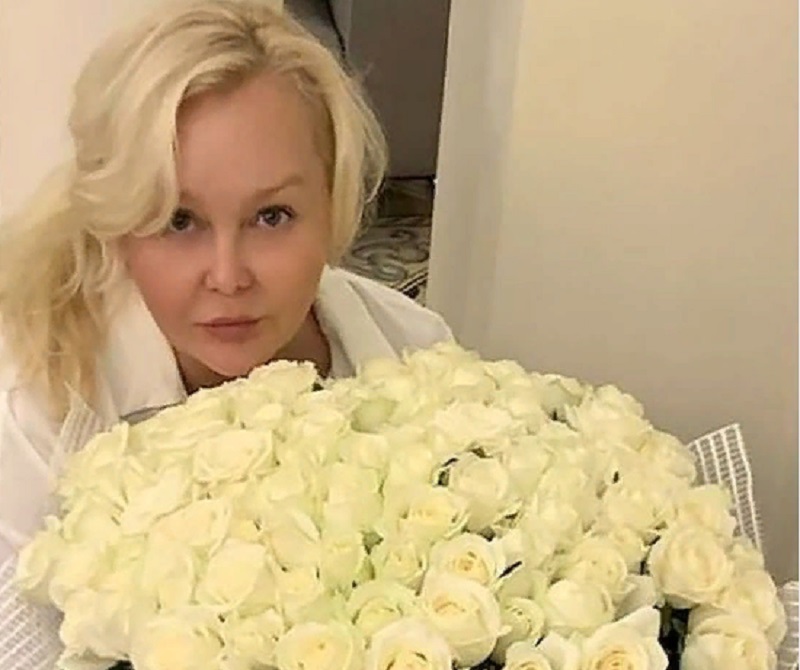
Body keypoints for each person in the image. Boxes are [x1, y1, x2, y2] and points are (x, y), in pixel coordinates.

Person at [0, 1, 451, 665]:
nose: (228, 276)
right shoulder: (38, 402)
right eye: (178, 221)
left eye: (272, 216)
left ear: (333, 204)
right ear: (118, 226)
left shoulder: (415, 351)